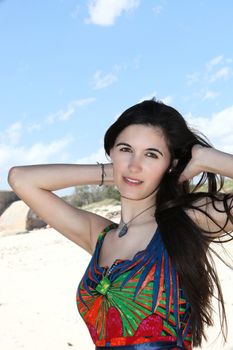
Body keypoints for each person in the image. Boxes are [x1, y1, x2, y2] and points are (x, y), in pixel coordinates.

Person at [8, 99, 233, 350]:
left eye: (151, 154)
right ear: (111, 152)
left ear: (170, 164)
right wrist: (110, 173)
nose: (134, 166)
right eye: (125, 150)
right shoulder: (99, 235)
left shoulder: (191, 219)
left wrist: (207, 158)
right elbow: (21, 179)